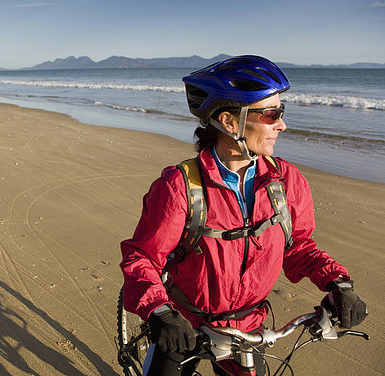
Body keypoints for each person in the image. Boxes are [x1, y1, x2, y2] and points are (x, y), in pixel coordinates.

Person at [119, 55, 368, 375]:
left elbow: (298, 246)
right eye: (271, 114)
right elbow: (142, 258)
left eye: (282, 112)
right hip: (186, 324)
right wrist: (159, 311)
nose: (282, 124)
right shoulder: (180, 186)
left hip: (249, 329)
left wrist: (337, 283)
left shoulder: (288, 182)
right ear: (229, 122)